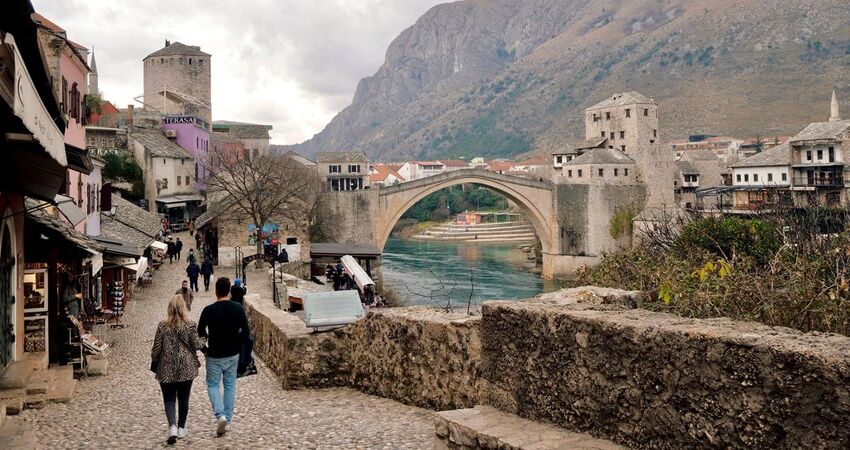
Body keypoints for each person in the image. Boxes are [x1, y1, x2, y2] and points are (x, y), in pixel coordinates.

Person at [198, 277, 251, 436]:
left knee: (213, 385)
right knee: (229, 386)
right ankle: (227, 419)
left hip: (214, 354)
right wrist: (237, 344)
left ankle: (220, 415)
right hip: (232, 354)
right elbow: (246, 333)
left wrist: (204, 349)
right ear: (228, 291)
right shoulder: (237, 309)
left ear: (216, 291)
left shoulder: (208, 310)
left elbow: (200, 332)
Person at [151, 295, 205, 444]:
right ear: (183, 308)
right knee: (183, 398)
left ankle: (172, 427)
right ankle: (181, 428)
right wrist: (204, 339)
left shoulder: (162, 326)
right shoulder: (190, 325)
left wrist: (154, 360)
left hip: (166, 367)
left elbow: (156, 349)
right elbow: (197, 344)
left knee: (169, 399)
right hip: (186, 367)